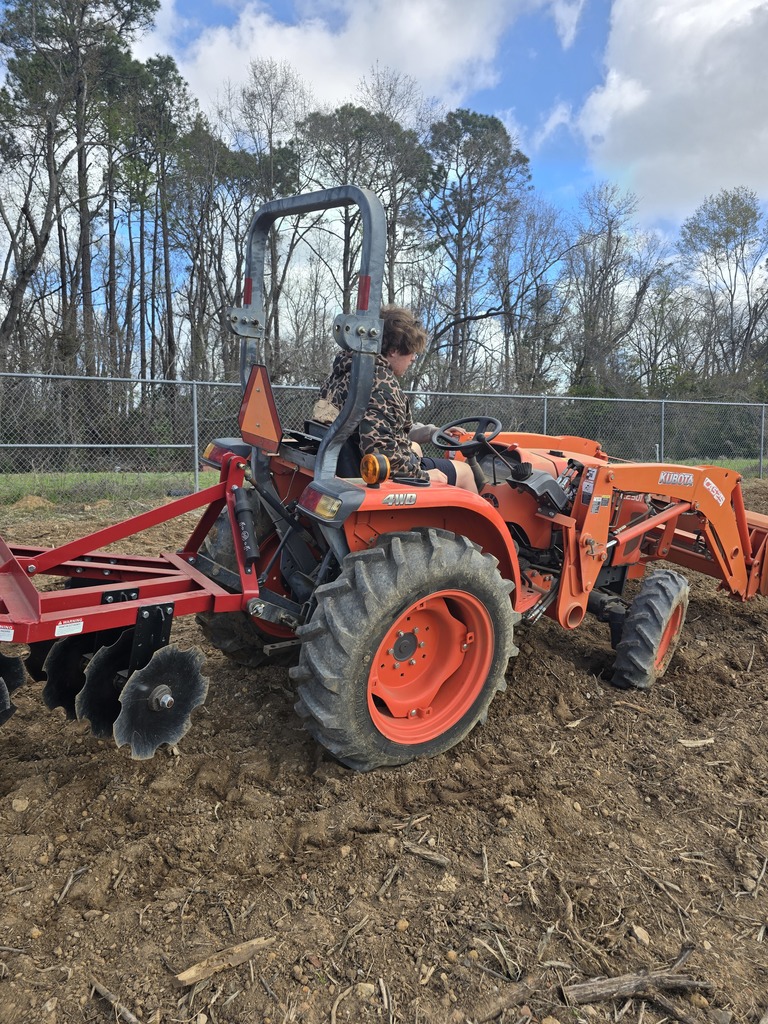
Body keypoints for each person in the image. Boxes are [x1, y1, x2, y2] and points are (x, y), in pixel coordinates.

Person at [312, 305, 477, 492]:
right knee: (465, 472)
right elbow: (379, 452)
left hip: (345, 460)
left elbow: (386, 427)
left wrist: (432, 432)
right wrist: (424, 475)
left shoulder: (344, 372)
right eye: (411, 351)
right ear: (394, 350)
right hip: (372, 474)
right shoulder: (380, 384)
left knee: (415, 447)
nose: (413, 358)